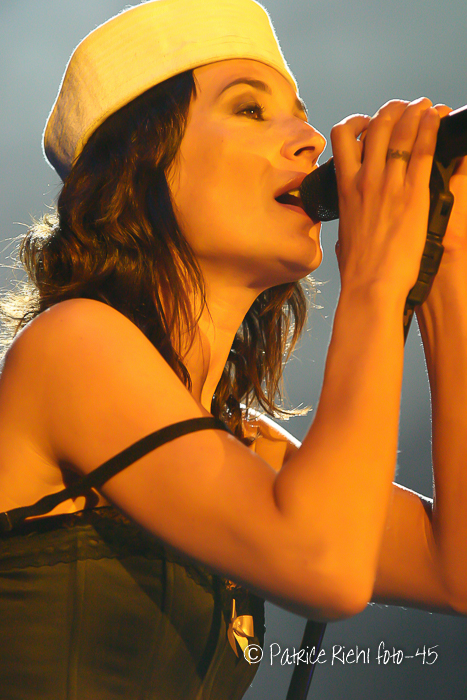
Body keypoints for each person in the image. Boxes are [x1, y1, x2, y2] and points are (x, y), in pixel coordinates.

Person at [0, 0, 466, 698]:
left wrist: (444, 255)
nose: (312, 139)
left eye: (300, 114)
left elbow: (456, 571)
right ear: (143, 167)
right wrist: (374, 277)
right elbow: (327, 568)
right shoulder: (70, 344)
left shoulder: (242, 445)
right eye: (251, 109)